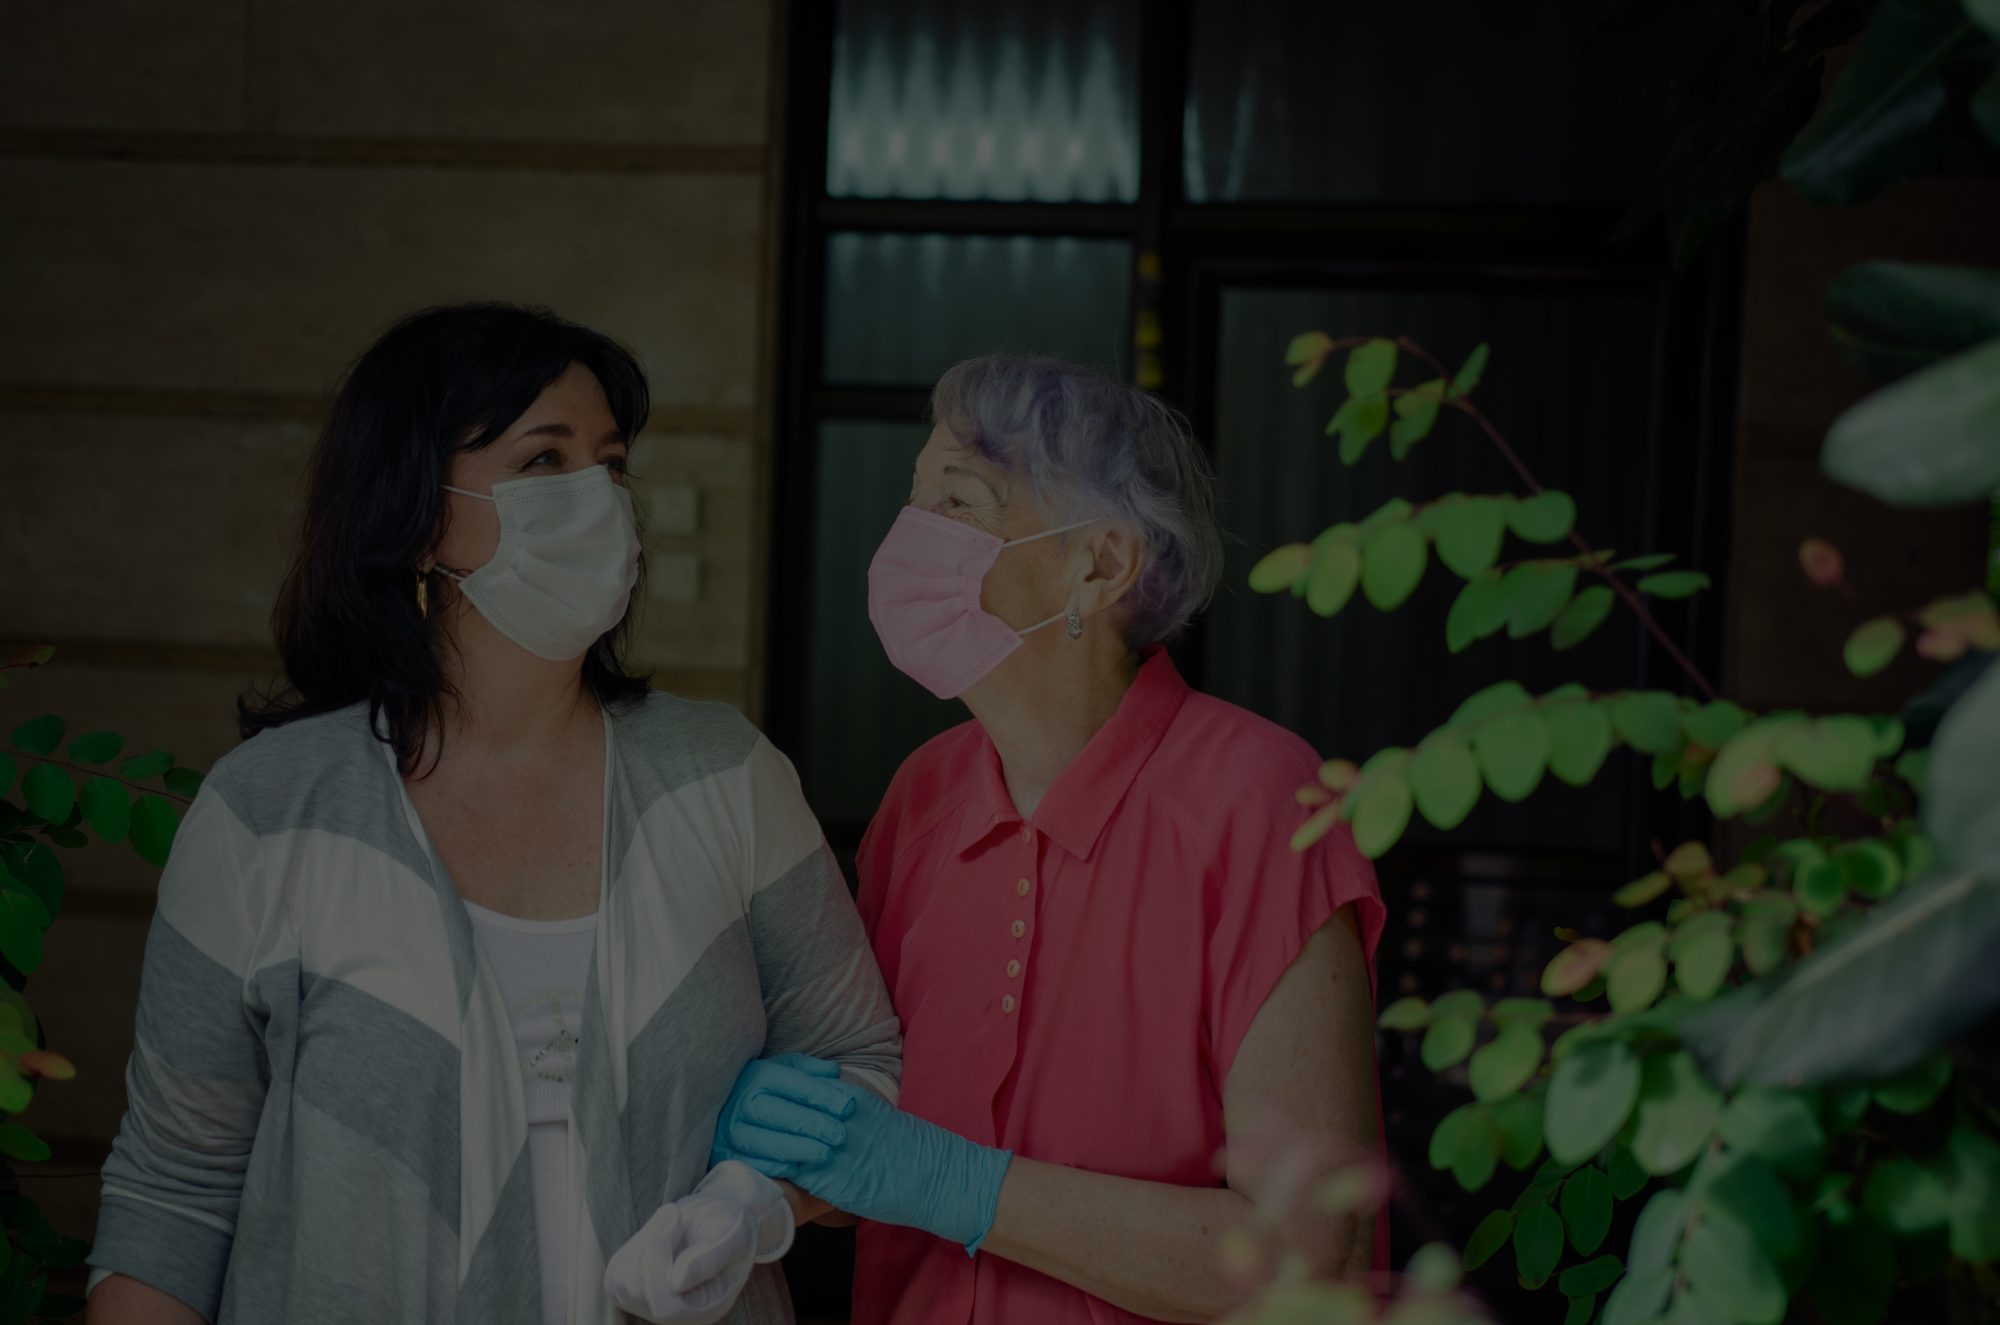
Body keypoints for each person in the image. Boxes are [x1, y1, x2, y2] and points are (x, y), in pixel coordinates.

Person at [85, 303, 900, 1325]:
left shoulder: (724, 776)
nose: (597, 498)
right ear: (421, 511)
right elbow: (173, 1194)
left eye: (609, 462)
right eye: (543, 460)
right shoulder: (267, 813)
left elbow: (865, 1068)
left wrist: (761, 1200)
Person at [711, 354, 1387, 1324]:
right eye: (913, 498)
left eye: (958, 500)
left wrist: (962, 1185)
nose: (909, 536)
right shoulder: (922, 797)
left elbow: (1306, 1255)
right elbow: (880, 1156)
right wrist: (775, 1176)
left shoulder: (1260, 798)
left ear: (1100, 562)